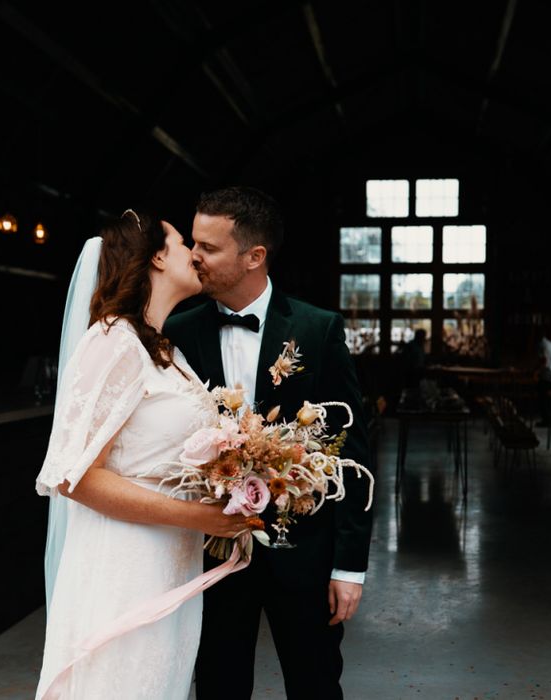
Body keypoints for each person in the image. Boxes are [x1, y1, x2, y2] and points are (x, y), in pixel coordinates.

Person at [164, 186, 373, 699]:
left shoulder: (317, 329)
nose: (194, 256)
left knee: (316, 684)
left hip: (304, 555)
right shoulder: (177, 331)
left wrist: (349, 567)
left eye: (208, 247)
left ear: (254, 256)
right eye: (193, 242)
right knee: (217, 683)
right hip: (211, 553)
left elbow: (350, 452)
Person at [34, 209, 249, 699]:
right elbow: (75, 478)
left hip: (168, 566)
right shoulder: (112, 342)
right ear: (154, 256)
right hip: (122, 570)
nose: (194, 255)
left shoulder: (166, 353)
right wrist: (197, 516)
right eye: (180, 244)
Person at [535, 325, 551, 427]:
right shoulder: (550, 344)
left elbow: (544, 361)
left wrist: (535, 371)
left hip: (548, 376)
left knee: (544, 399)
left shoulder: (542, 344)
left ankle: (547, 421)